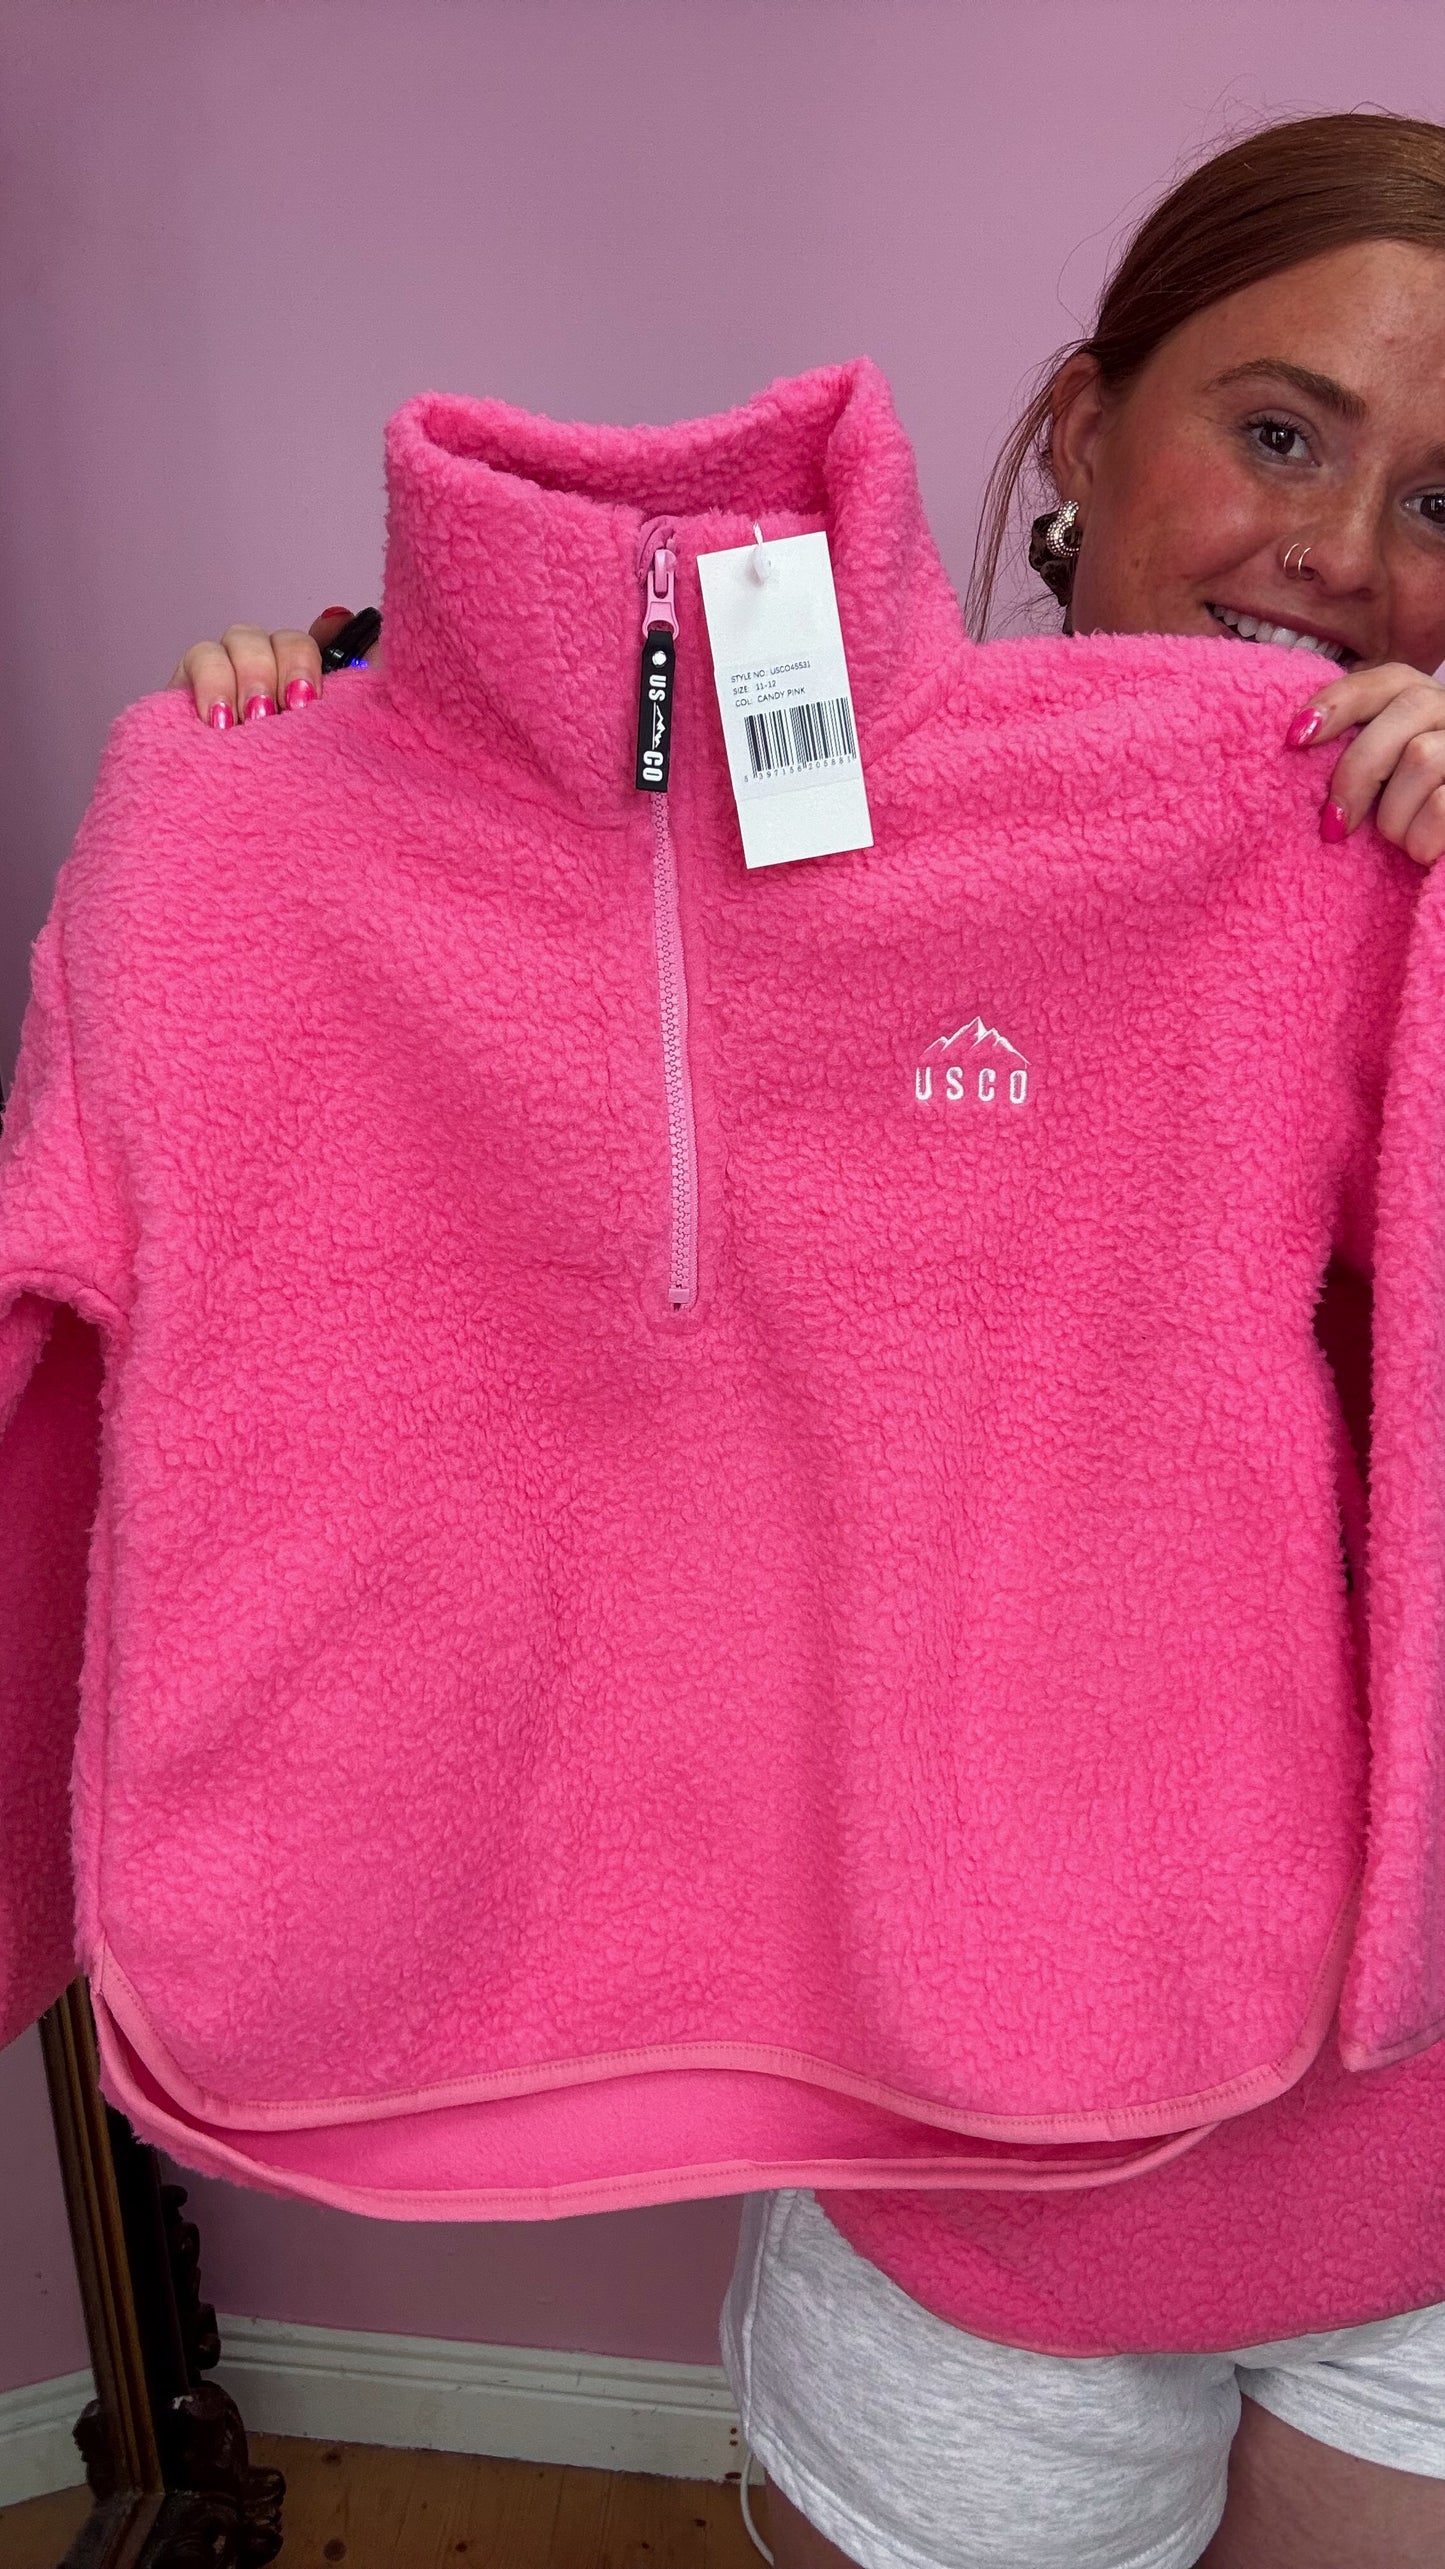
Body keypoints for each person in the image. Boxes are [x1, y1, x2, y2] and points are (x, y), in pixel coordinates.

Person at [166, 114, 1445, 2569]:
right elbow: (528, 1181)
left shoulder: (1411, 870)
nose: (1346, 547)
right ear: (1087, 423)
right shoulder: (786, 825)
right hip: (965, 2142)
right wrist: (333, 778)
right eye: (1282, 430)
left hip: (1406, 2149)